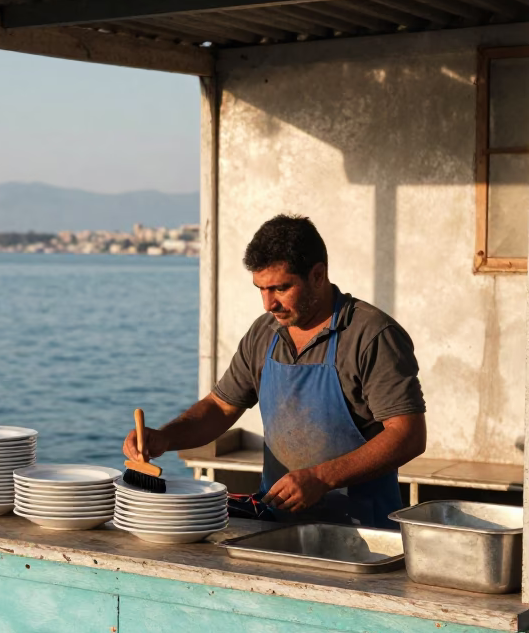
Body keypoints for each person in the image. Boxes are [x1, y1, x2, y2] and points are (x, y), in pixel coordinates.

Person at [123, 214, 426, 528]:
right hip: (276, 522)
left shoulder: (371, 335)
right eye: (261, 289)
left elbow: (408, 435)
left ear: (318, 275)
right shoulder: (264, 332)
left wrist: (321, 478)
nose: (269, 304)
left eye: (281, 288)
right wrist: (164, 438)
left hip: (361, 530)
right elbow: (220, 407)